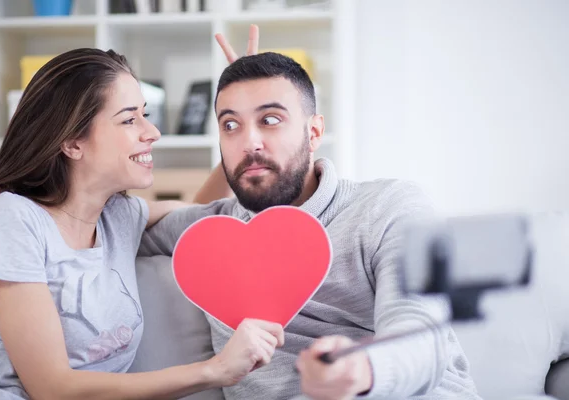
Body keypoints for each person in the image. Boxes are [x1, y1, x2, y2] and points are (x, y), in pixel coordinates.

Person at [137, 50, 482, 399]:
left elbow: (421, 329)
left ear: (314, 132)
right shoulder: (208, 231)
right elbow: (107, 226)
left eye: (270, 119)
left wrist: (362, 370)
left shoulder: (390, 205)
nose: (249, 143)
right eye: (231, 125)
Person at [0, 28, 288, 399]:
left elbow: (205, 214)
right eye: (129, 119)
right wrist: (213, 371)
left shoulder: (117, 217)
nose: (152, 131)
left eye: (145, 114)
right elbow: (52, 389)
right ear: (72, 142)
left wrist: (240, 122)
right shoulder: (13, 219)